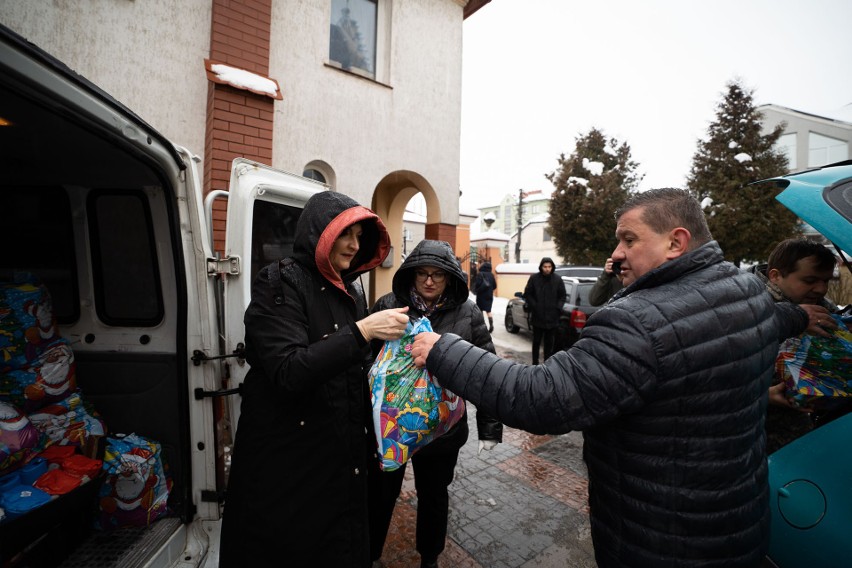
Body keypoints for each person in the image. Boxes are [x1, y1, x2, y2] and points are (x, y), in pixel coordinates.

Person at [410, 188, 830, 568]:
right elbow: (768, 321)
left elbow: (541, 397)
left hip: (660, 539)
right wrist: (797, 316)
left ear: (675, 242)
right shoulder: (747, 291)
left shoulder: (641, 322)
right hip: (738, 525)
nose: (618, 251)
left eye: (630, 239)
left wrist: (442, 350)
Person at [219, 191, 410, 567]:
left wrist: (403, 366)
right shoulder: (279, 282)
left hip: (340, 458)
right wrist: (364, 331)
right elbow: (288, 370)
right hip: (290, 467)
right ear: (321, 233)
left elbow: (358, 367)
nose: (355, 246)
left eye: (360, 237)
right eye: (346, 234)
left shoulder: (351, 290)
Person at [368, 240, 502, 568]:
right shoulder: (389, 304)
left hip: (443, 430)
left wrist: (490, 428)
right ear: (411, 275)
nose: (429, 281)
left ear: (450, 278)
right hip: (391, 427)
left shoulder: (467, 312)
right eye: (422, 274)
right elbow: (365, 366)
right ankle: (368, 553)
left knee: (433, 496)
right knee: (380, 495)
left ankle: (430, 558)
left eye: (438, 275)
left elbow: (486, 370)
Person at [752, 238, 841, 451]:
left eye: (826, 280)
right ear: (775, 276)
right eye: (810, 280)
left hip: (800, 438)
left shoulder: (823, 311)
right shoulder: (746, 310)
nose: (821, 289)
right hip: (752, 444)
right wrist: (764, 396)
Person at [523, 257, 566, 364]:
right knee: (536, 342)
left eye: (549, 267)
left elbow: (562, 296)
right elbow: (528, 293)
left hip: (552, 318)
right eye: (545, 267)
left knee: (549, 343)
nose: (547, 269)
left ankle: (547, 364)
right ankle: (535, 363)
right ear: (541, 267)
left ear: (552, 267)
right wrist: (535, 306)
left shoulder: (557, 279)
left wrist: (558, 308)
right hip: (538, 317)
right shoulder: (534, 278)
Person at [472, 259, 496, 332]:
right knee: (488, 311)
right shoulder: (492, 275)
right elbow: (495, 286)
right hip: (489, 296)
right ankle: (491, 325)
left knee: (480, 311)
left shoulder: (480, 274)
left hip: (481, 295)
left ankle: (483, 327)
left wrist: (475, 290)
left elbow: (477, 284)